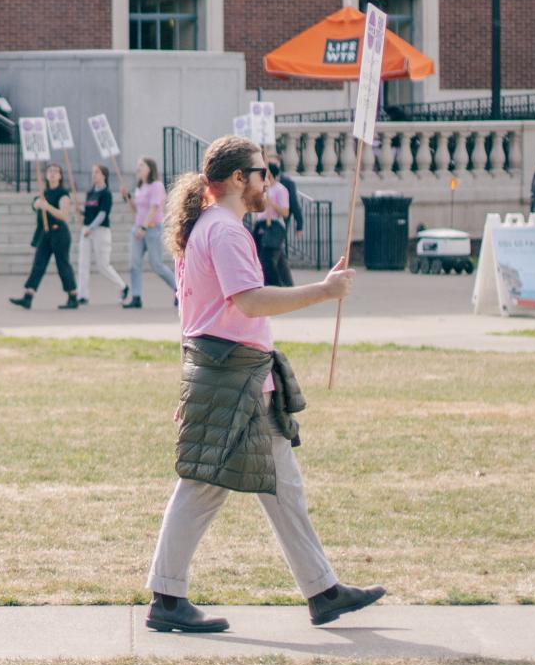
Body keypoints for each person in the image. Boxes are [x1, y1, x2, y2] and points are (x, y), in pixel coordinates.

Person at [144, 134, 385, 635]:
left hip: (233, 374)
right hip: (235, 377)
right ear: (237, 180)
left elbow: (194, 315)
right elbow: (249, 302)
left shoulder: (204, 229)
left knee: (281, 485)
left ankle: (322, 591)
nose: (267, 181)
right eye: (261, 172)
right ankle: (167, 597)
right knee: (204, 485)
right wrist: (324, 291)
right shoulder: (227, 232)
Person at [10, 163, 79, 310]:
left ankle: (73, 295)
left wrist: (47, 206)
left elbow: (63, 215)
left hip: (59, 233)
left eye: (56, 171)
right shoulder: (44, 193)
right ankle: (28, 296)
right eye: (50, 171)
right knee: (38, 264)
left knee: (63, 265)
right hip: (45, 234)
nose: (52, 174)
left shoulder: (63, 194)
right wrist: (36, 204)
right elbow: (36, 204)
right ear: (46, 176)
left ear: (60, 176)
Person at [124, 157, 177, 307]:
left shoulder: (157, 186)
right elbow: (137, 210)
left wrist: (144, 227)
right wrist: (128, 199)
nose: (138, 168)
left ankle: (179, 289)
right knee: (134, 264)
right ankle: (136, 297)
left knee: (157, 265)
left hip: (152, 229)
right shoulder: (140, 186)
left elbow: (154, 208)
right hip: (138, 229)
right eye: (138, 165)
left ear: (150, 168)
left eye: (141, 165)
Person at [77, 163, 128, 303]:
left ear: (104, 175)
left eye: (97, 172)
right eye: (93, 172)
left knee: (103, 265)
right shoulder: (90, 192)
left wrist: (91, 228)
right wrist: (80, 211)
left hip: (100, 231)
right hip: (86, 230)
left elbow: (102, 214)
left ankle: (123, 286)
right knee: (83, 263)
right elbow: (87, 211)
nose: (94, 175)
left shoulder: (106, 194)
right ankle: (82, 295)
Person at [253, 165, 295, 288]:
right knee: (276, 258)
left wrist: (272, 204)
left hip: (274, 226)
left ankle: (274, 285)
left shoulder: (280, 190)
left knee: (268, 258)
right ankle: (287, 285)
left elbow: (285, 213)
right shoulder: (262, 189)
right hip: (261, 225)